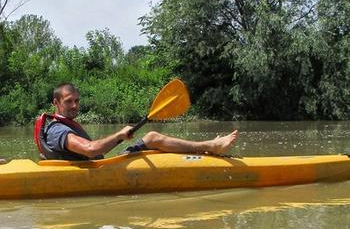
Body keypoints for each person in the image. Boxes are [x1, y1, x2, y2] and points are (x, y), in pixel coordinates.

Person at [43, 83, 238, 160]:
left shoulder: (61, 124)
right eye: (69, 101)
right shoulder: (58, 130)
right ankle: (210, 146)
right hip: (100, 171)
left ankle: (208, 147)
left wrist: (119, 138)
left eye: (76, 101)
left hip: (101, 165)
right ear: (56, 103)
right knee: (152, 137)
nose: (75, 105)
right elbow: (91, 150)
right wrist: (119, 133)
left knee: (151, 137)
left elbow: (95, 150)